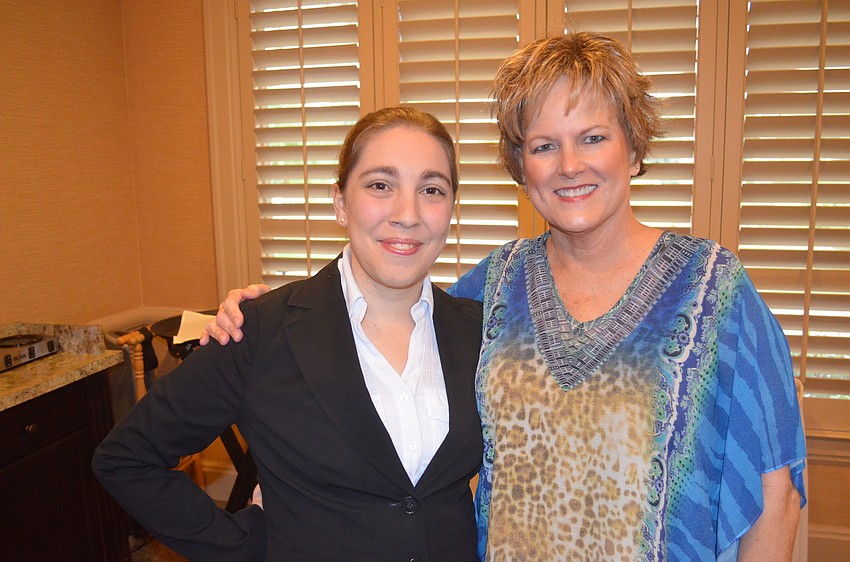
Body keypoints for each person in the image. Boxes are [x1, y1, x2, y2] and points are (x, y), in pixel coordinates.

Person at [204, 32, 807, 561]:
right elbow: (380, 327)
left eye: (593, 137)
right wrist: (262, 312)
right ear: (521, 166)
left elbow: (774, 493)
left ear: (633, 145)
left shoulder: (713, 292)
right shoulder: (494, 288)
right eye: (544, 146)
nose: (569, 165)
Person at [93, 106, 484, 562]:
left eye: (431, 190)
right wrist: (247, 545)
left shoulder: (479, 330)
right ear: (340, 203)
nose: (408, 214)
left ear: (451, 208)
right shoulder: (263, 329)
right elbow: (126, 458)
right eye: (381, 185)